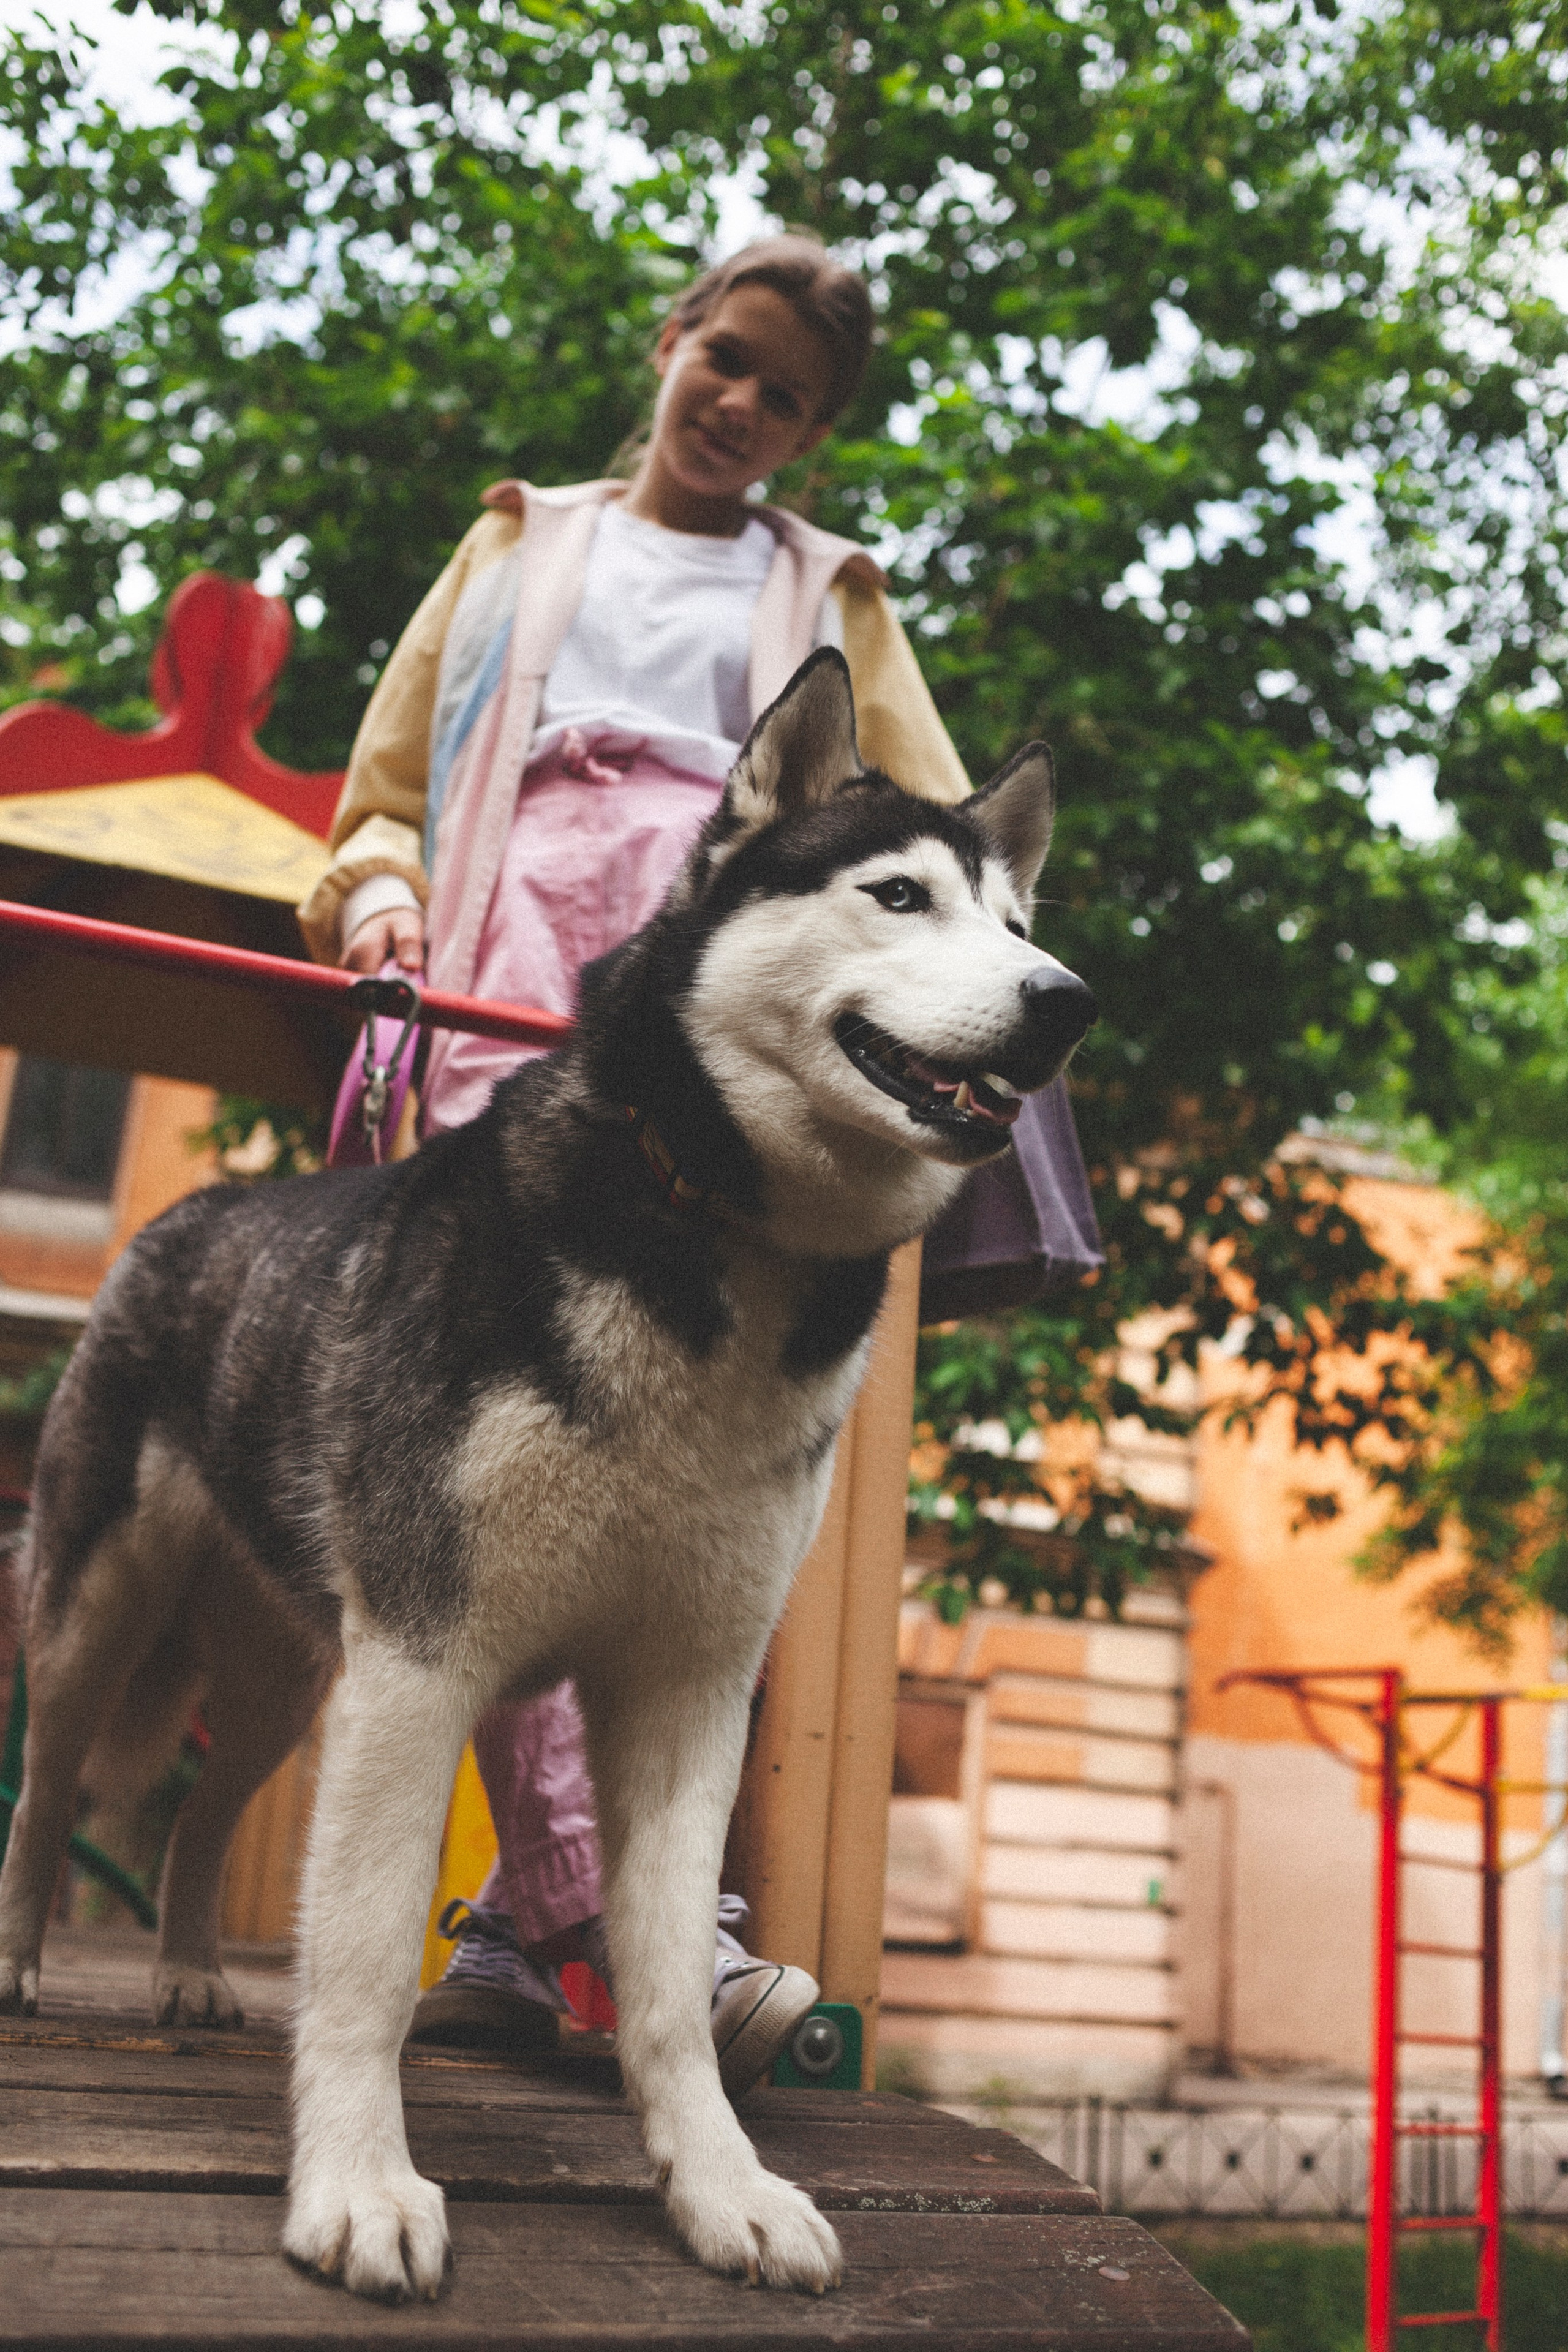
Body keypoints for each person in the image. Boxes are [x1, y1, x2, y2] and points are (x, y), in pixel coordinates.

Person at [297, 233, 1098, 2095]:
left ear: (813, 434)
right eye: (724, 358)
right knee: (501, 1423)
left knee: (692, 1440)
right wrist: (382, 897)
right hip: (514, 958)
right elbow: (388, 795)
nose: (739, 404)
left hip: (734, 984)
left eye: (785, 397)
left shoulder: (832, 595)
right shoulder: (519, 547)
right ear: (672, 341)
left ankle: (552, 1919)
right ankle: (591, 1915)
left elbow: (952, 840)